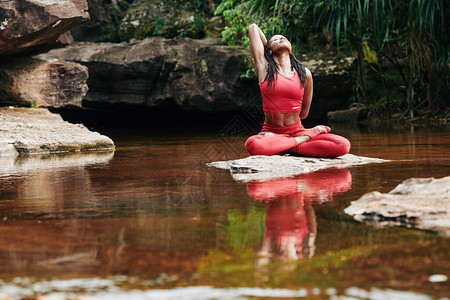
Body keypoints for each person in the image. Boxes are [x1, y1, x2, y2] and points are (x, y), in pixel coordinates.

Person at [245, 24, 350, 157]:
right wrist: (267, 52)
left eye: (284, 38)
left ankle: (282, 147)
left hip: (296, 130)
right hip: (272, 132)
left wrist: (274, 44)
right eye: (276, 39)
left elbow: (303, 114)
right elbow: (253, 28)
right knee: (252, 144)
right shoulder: (264, 68)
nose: (281, 38)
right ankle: (301, 141)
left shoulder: (305, 74)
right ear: (269, 50)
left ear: (291, 49)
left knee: (342, 145)